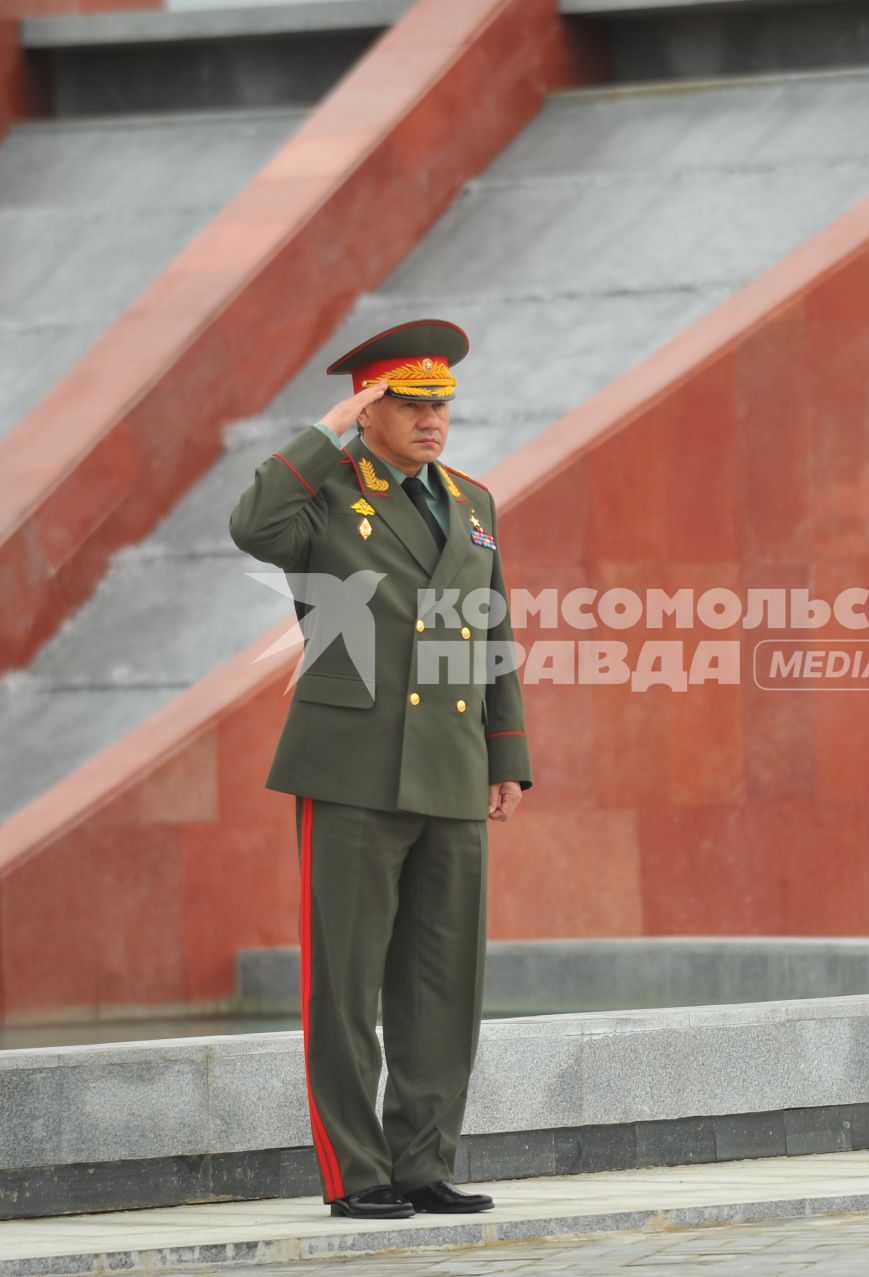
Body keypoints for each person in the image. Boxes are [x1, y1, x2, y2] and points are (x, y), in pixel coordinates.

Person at [228, 319, 532, 1218]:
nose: (433, 419)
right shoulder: (322, 493)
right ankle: (356, 1171)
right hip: (354, 766)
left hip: (451, 763)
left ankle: (422, 1162)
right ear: (369, 408)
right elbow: (253, 525)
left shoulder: (473, 500)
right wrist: (326, 434)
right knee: (347, 980)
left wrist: (505, 753)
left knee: (444, 980)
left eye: (441, 403)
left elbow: (493, 631)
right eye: (410, 403)